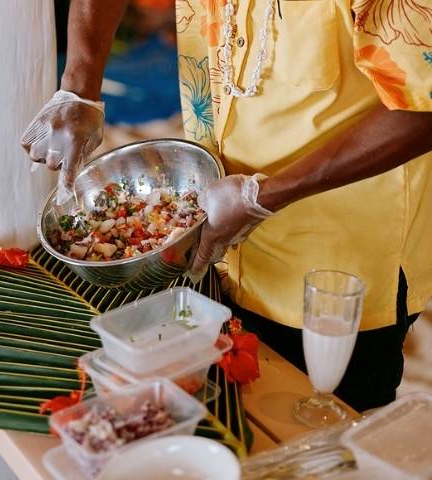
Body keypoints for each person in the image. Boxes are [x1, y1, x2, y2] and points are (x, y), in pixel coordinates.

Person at [21, 0, 432, 412]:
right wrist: (79, 86)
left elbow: (423, 110)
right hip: (211, 239)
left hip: (333, 269)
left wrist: (263, 196)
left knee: (316, 435)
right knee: (230, 424)